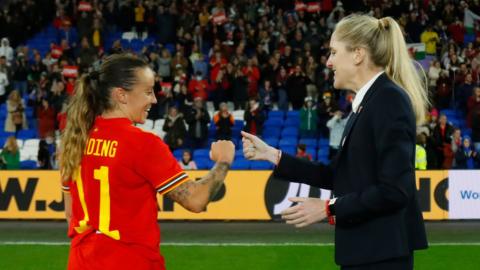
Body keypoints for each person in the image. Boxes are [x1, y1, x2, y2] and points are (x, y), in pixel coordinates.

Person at [242, 15, 428, 269]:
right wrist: (274, 155)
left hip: (381, 255)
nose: (328, 62)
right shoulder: (369, 102)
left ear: (358, 54)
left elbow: (394, 191)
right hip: (368, 251)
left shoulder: (387, 101)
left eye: (333, 52)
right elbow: (339, 174)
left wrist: (328, 208)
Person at [60, 54, 235, 270]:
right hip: (130, 262)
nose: (153, 99)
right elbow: (196, 200)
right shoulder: (142, 143)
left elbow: (70, 214)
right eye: (147, 91)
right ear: (121, 95)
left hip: (81, 262)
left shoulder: (74, 140)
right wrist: (224, 160)